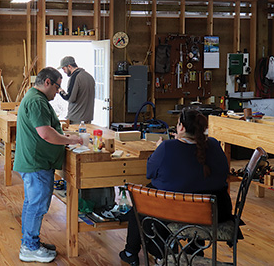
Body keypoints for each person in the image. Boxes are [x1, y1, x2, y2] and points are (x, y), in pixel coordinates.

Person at [119, 109, 233, 265]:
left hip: (174, 213)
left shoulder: (166, 147)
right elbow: (223, 173)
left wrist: (159, 148)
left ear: (181, 128)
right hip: (215, 214)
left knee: (140, 201)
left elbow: (150, 172)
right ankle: (193, 246)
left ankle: (131, 251)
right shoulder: (213, 144)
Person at [14, 67, 83, 263]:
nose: (58, 92)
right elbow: (45, 133)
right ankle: (29, 247)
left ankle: (30, 241)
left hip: (35, 161)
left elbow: (48, 130)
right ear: (47, 82)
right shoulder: (37, 101)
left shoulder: (35, 97)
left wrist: (63, 136)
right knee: (36, 206)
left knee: (32, 204)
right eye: (57, 86)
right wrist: (71, 141)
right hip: (37, 163)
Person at [57, 56, 95, 124]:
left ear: (69, 66)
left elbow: (70, 98)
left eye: (64, 69)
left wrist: (60, 91)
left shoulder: (75, 77)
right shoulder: (89, 76)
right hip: (88, 118)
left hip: (76, 119)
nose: (64, 72)